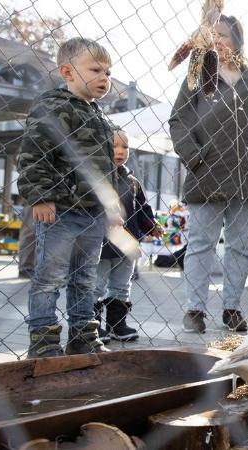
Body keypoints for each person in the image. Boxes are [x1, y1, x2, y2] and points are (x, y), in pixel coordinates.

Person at [170, 15, 248, 333]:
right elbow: (178, 121)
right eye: (212, 36)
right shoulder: (198, 79)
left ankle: (232, 308)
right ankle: (195, 310)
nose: (218, 41)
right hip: (207, 177)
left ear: (238, 41)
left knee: (239, 248)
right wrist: (195, 158)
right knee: (200, 244)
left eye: (224, 35)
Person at [17, 37, 116, 358]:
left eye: (109, 72)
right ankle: (44, 339)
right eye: (96, 70)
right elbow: (34, 155)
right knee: (49, 278)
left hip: (93, 213)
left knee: (85, 279)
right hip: (60, 210)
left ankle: (82, 334)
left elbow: (106, 169)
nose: (106, 78)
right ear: (67, 72)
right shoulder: (53, 105)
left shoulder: (99, 115)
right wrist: (41, 196)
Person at [93, 128, 163, 343]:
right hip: (102, 243)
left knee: (122, 285)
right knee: (97, 285)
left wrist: (151, 225)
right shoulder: (97, 178)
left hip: (128, 243)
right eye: (114, 145)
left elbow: (142, 208)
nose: (120, 150)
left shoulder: (131, 180)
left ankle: (116, 324)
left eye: (125, 146)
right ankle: (92, 325)